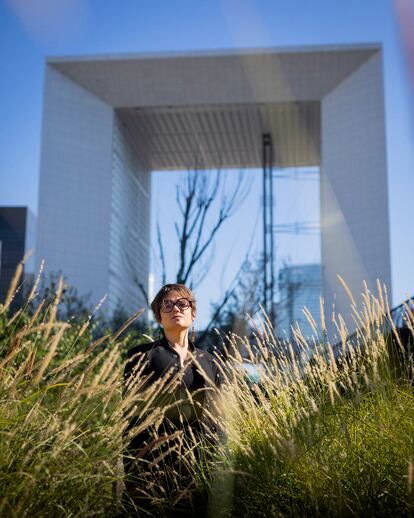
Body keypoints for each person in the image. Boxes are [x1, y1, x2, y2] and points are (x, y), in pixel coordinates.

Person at [123, 283, 223, 516]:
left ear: (193, 312)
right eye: (167, 305)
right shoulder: (141, 356)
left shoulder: (210, 362)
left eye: (182, 303)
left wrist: (218, 464)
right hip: (154, 468)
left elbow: (219, 418)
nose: (175, 309)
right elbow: (130, 418)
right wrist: (133, 473)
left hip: (200, 468)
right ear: (159, 316)